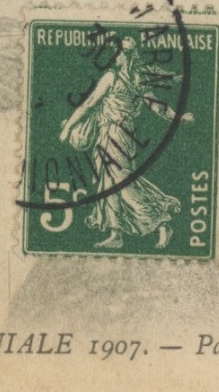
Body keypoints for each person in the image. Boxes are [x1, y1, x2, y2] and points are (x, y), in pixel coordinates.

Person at [59, 37, 191, 250]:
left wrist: (67, 128)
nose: (116, 57)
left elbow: (90, 103)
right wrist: (179, 117)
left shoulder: (112, 77)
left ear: (125, 55)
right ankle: (116, 233)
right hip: (115, 134)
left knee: (121, 182)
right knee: (109, 183)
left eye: (119, 53)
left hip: (116, 134)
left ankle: (161, 221)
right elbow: (158, 107)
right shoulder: (137, 78)